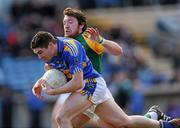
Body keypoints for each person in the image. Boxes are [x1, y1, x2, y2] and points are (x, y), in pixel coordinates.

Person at [31, 31, 180, 128]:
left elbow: (78, 82)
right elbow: (50, 70)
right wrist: (39, 83)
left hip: (91, 85)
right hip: (86, 90)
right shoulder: (51, 52)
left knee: (62, 118)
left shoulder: (71, 49)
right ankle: (160, 121)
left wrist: (53, 91)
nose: (39, 56)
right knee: (124, 123)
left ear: (51, 45)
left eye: (40, 52)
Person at [51, 7, 123, 128]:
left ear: (81, 25)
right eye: (64, 22)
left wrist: (101, 40)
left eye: (70, 22)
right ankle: (154, 119)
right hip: (78, 90)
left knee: (122, 123)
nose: (66, 25)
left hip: (93, 87)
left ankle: (153, 119)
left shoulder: (88, 39)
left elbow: (118, 51)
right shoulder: (62, 44)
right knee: (62, 121)